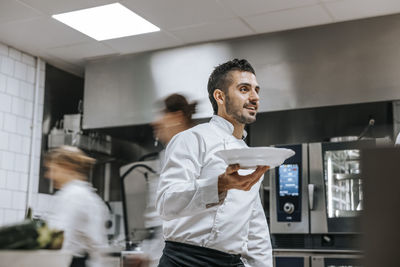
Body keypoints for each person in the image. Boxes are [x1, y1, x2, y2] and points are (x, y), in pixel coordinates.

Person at [156, 59, 272, 267]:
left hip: (230, 261)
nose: (255, 97)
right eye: (244, 89)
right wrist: (219, 185)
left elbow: (254, 226)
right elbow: (166, 203)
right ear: (220, 96)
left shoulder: (250, 156)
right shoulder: (191, 139)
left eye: (256, 90)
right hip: (184, 260)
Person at [44, 146, 108, 267]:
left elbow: (61, 239)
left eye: (52, 170)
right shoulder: (89, 196)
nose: (48, 175)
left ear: (67, 168)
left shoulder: (73, 196)